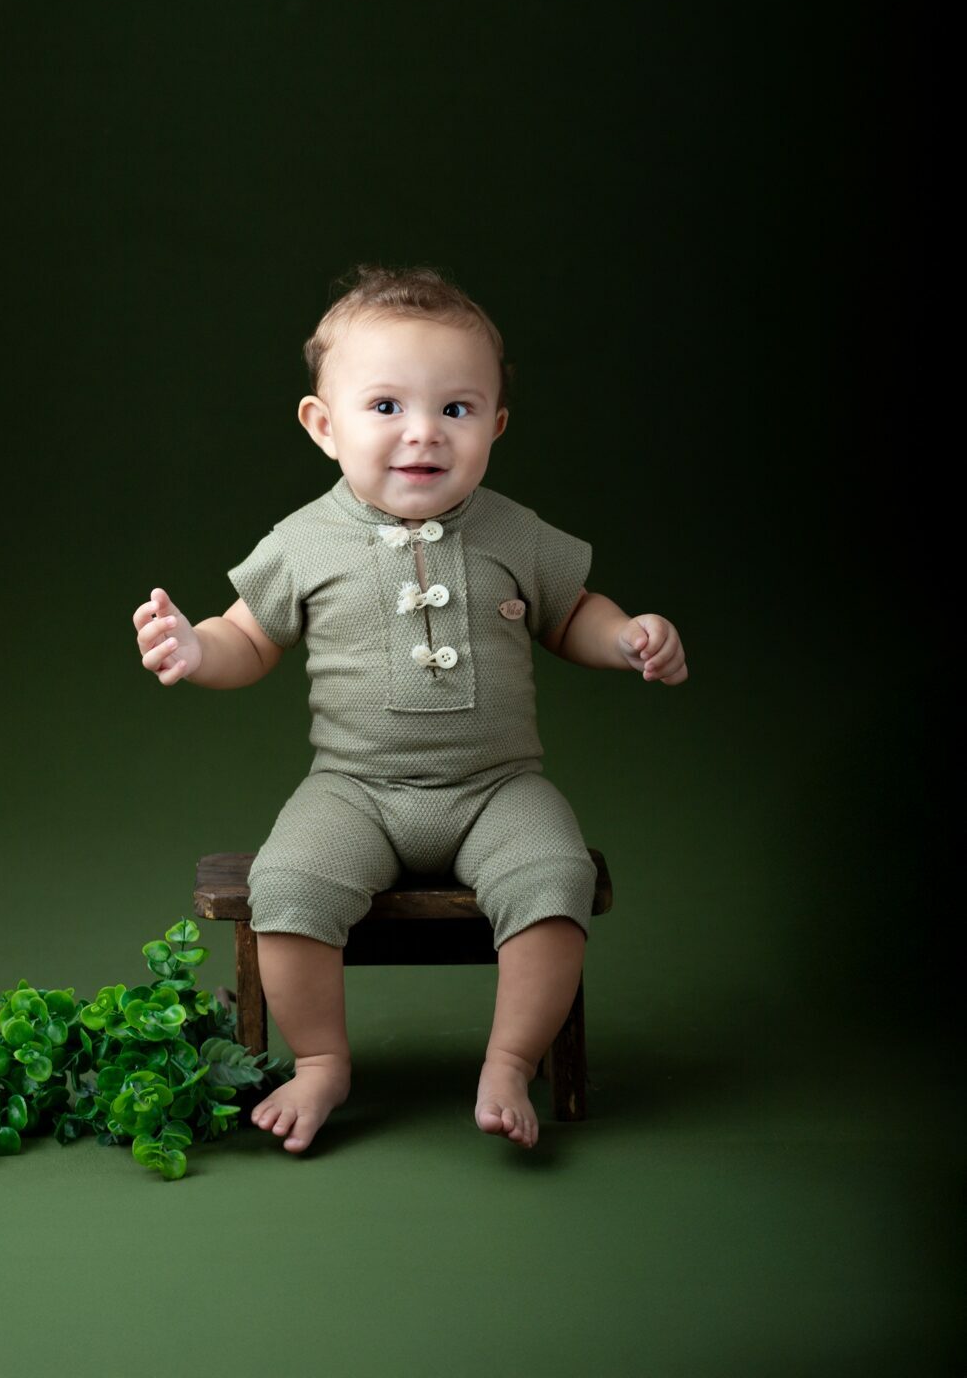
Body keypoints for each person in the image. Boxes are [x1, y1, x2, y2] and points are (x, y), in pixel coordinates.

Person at [132, 265, 687, 1154]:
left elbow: (571, 612)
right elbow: (248, 637)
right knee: (287, 886)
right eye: (385, 406)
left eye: (456, 409)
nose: (423, 432)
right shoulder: (303, 541)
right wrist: (197, 649)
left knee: (554, 880)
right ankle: (322, 1062)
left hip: (498, 787)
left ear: (494, 424)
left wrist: (625, 636)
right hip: (354, 789)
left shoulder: (512, 530)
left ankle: (508, 1060)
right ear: (324, 425)